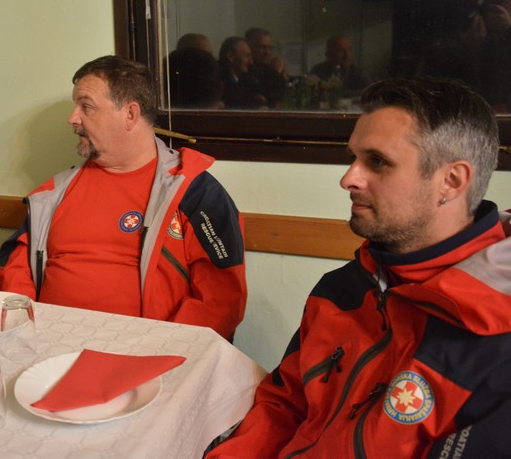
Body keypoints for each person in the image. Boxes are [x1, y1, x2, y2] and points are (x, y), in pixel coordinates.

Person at [207, 78, 511, 458]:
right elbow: (284, 404)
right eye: (352, 157)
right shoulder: (343, 288)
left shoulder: (497, 341)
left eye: (377, 161)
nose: (348, 178)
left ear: (451, 181)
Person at [0, 55, 246, 340]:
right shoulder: (52, 194)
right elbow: (16, 269)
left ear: (130, 114)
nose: (72, 118)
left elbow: (221, 300)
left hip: (150, 354)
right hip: (50, 347)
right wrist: (23, 332)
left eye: (86, 106)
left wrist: (160, 349)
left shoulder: (195, 192)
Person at [244, 27, 288, 108]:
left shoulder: (269, 68)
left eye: (270, 48)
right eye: (262, 47)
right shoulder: (244, 69)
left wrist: (282, 74)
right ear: (250, 47)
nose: (267, 52)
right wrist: (277, 74)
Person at [219, 37, 265, 109]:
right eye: (247, 56)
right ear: (230, 56)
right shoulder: (218, 81)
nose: (251, 62)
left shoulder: (248, 80)